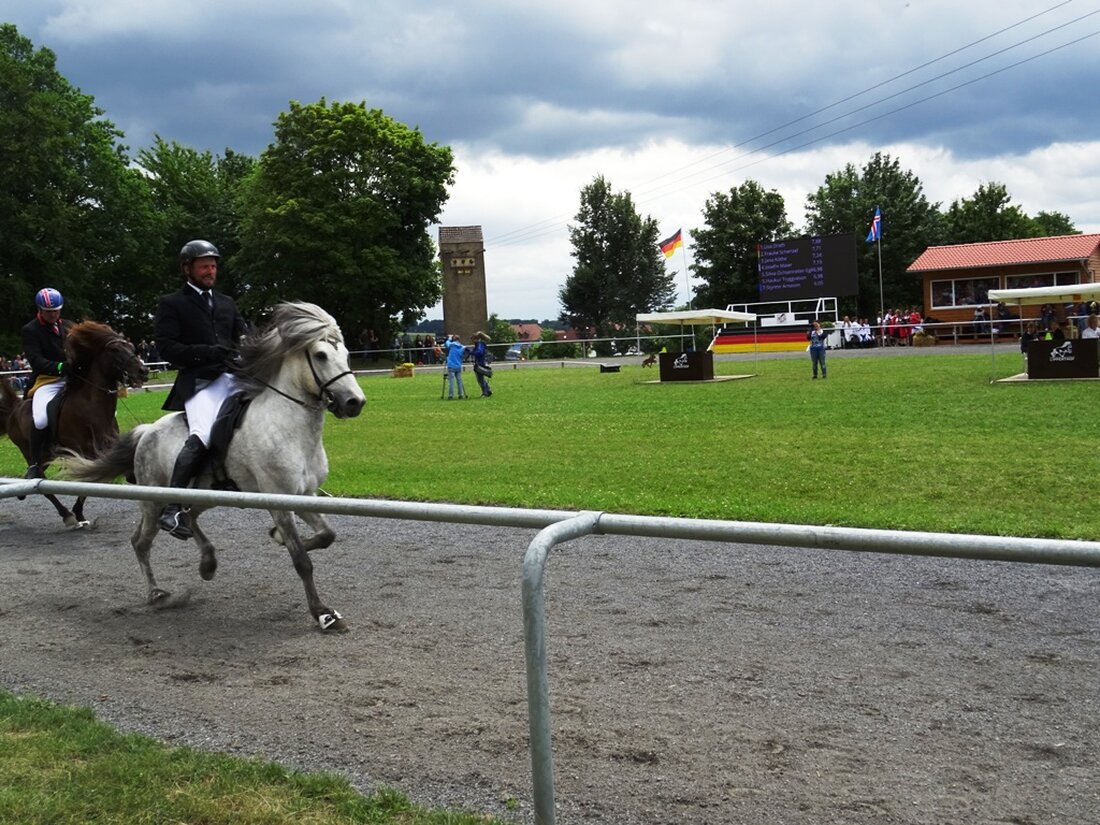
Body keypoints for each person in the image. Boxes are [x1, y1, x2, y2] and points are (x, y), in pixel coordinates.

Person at [153, 239, 249, 539]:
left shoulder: (226, 302)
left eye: (213, 266)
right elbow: (167, 347)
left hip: (233, 376)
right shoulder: (172, 303)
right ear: (187, 269)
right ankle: (173, 508)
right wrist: (207, 353)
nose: (211, 271)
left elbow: (244, 336)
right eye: (204, 266)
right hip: (200, 381)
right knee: (203, 434)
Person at [20, 287, 73, 478]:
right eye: (49, 311)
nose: (53, 315)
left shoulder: (68, 326)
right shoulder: (30, 330)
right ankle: (35, 464)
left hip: (73, 378)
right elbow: (36, 360)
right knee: (41, 419)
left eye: (56, 311)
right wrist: (60, 367)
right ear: (40, 309)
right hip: (48, 380)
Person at [444, 333, 467, 400]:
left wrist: (449, 338)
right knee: (459, 381)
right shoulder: (462, 347)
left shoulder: (452, 345)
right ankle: (461, 395)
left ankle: (451, 395)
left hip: (451, 365)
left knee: (451, 381)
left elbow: (447, 344)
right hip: (458, 365)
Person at [471, 331, 493, 397]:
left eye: (473, 339)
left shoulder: (480, 345)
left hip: (480, 363)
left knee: (480, 379)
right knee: (481, 379)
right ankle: (488, 390)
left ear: (476, 339)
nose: (472, 341)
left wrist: (471, 352)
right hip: (480, 362)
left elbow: (479, 353)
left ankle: (485, 392)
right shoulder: (480, 344)